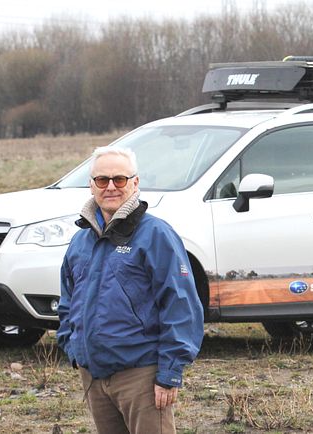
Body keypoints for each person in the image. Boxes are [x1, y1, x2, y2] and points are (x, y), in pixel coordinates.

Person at [57, 146, 204, 433]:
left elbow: (180, 304)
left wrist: (169, 372)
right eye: (102, 180)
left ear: (135, 183)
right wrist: (74, 348)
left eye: (119, 179)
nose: (110, 187)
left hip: (141, 376)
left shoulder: (156, 235)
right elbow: (67, 301)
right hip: (94, 376)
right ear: (91, 185)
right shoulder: (80, 242)